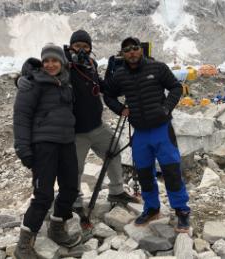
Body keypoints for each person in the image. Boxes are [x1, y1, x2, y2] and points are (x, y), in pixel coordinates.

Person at [104, 37, 191, 233]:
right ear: (122, 54)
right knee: (144, 174)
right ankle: (152, 208)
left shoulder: (157, 68)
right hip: (140, 133)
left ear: (140, 50)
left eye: (134, 48)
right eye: (126, 50)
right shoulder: (120, 75)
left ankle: (182, 212)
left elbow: (176, 87)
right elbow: (107, 93)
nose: (131, 52)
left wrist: (167, 108)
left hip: (162, 130)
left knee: (171, 172)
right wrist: (120, 109)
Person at [64, 30, 139, 226]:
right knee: (75, 168)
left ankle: (117, 192)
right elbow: (44, 68)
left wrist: (121, 86)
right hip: (76, 132)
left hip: (97, 127)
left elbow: (101, 86)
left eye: (86, 46)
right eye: (78, 45)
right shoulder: (65, 65)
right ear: (71, 47)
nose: (82, 49)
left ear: (90, 49)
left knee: (113, 151)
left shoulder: (91, 64)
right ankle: (75, 202)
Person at [13, 43, 81, 258]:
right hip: (43, 145)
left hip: (66, 142)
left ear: (62, 62)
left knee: (70, 188)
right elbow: (21, 117)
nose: (51, 65)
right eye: (46, 61)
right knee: (43, 194)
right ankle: (23, 244)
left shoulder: (66, 83)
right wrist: (23, 148)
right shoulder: (32, 84)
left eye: (55, 60)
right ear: (42, 63)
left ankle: (57, 228)